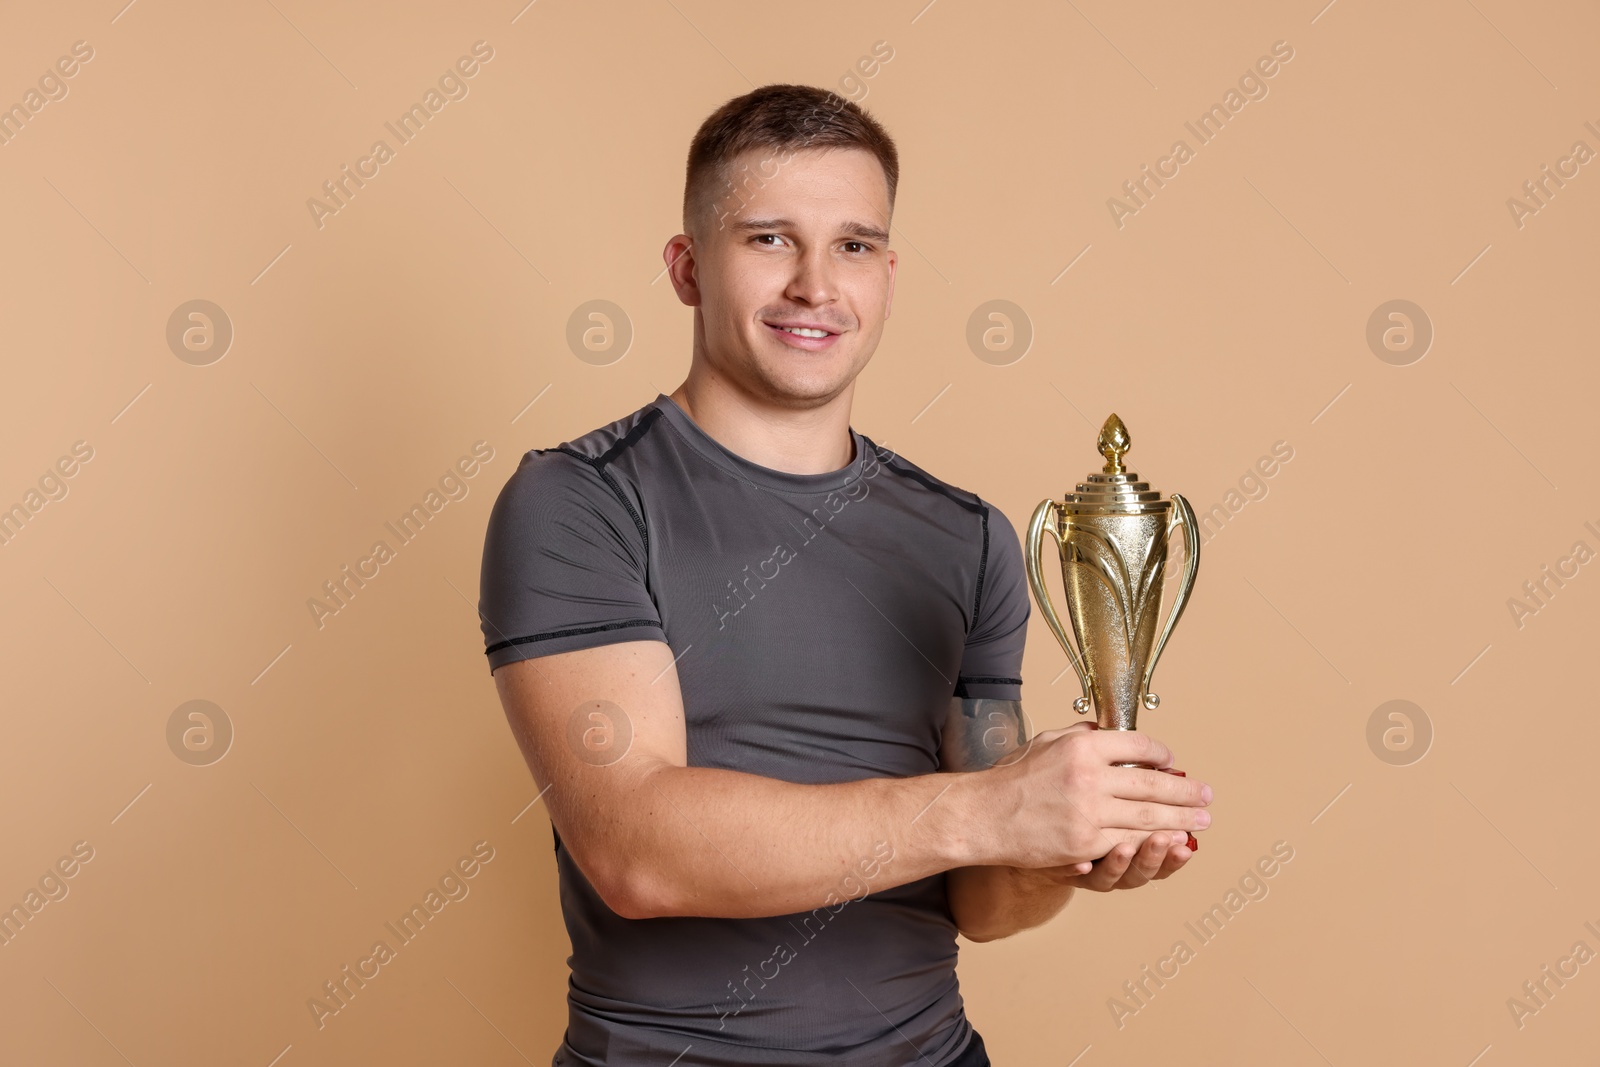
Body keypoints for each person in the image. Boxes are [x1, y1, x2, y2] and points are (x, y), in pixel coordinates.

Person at [478, 83, 1213, 1067]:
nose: (817, 285)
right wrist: (990, 807)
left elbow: (985, 899)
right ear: (687, 268)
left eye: (854, 245)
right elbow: (631, 848)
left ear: (889, 273)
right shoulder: (579, 501)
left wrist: (1071, 839)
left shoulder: (968, 535)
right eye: (770, 239)